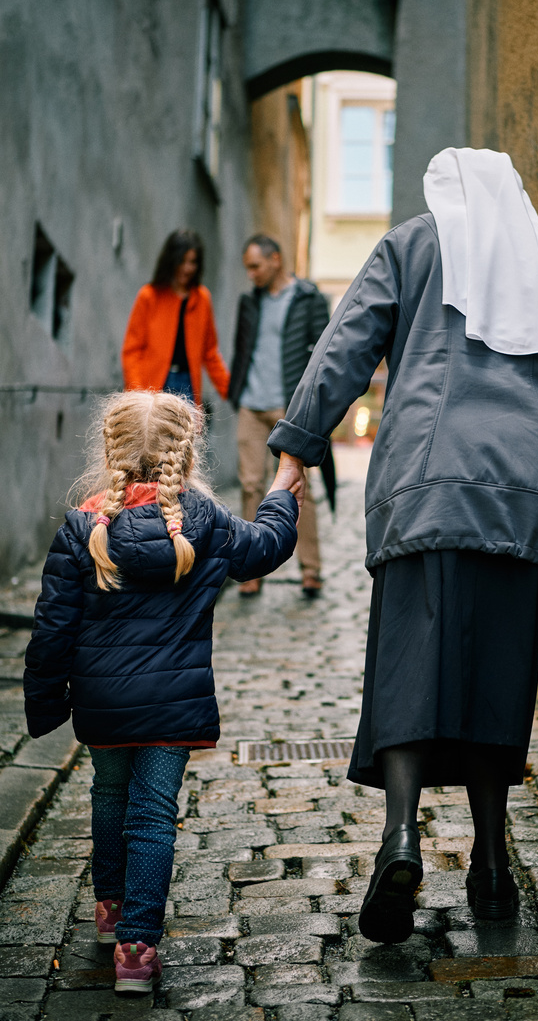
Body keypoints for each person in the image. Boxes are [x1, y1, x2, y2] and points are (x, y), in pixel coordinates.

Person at [267, 148, 538, 943]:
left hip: (425, 486)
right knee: (498, 676)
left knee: (410, 663)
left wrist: (296, 448)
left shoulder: (412, 246)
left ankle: (400, 838)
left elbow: (344, 348)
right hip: (523, 494)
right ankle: (492, 865)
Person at [23, 391, 298, 992]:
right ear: (189, 451)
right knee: (151, 818)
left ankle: (110, 912)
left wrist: (46, 705)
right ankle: (137, 953)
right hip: (174, 705)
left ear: (109, 451)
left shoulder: (82, 527)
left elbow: (51, 629)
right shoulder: (208, 522)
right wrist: (282, 495)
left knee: (109, 797)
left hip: (102, 705)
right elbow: (267, 549)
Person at [229, 234, 330, 597]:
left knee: (299, 487)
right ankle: (250, 569)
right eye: (248, 268)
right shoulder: (249, 302)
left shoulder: (308, 299)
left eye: (255, 266)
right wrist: (235, 392)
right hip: (251, 405)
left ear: (275, 260)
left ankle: (311, 569)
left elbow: (324, 352)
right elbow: (242, 349)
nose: (251, 274)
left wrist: (313, 405)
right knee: (251, 485)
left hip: (289, 408)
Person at [122, 229, 230, 405]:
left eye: (192, 262)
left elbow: (210, 352)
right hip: (153, 386)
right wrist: (136, 394)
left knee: (186, 432)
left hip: (188, 384)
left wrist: (229, 389)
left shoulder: (202, 299)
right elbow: (132, 351)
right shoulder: (149, 296)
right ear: (171, 260)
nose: (187, 268)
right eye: (182, 261)